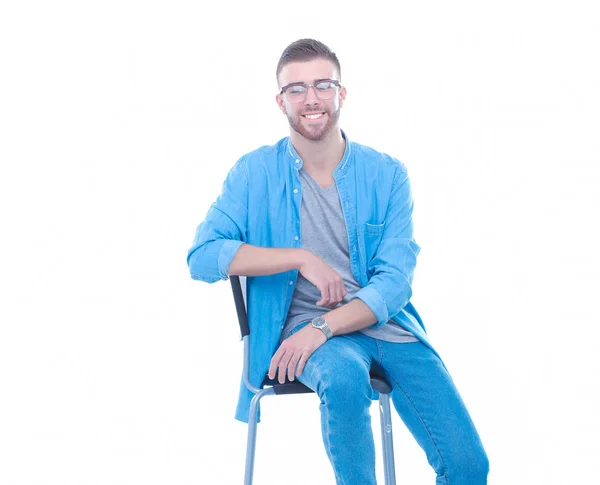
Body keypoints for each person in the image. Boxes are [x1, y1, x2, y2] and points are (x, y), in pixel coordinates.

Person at [187, 38, 489, 485]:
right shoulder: (253, 173)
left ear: (341, 94)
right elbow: (202, 256)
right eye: (296, 88)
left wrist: (324, 326)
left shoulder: (387, 174)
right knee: (344, 378)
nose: (311, 98)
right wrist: (300, 258)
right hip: (301, 332)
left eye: (323, 85)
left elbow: (394, 283)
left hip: (384, 327)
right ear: (280, 101)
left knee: (468, 467)